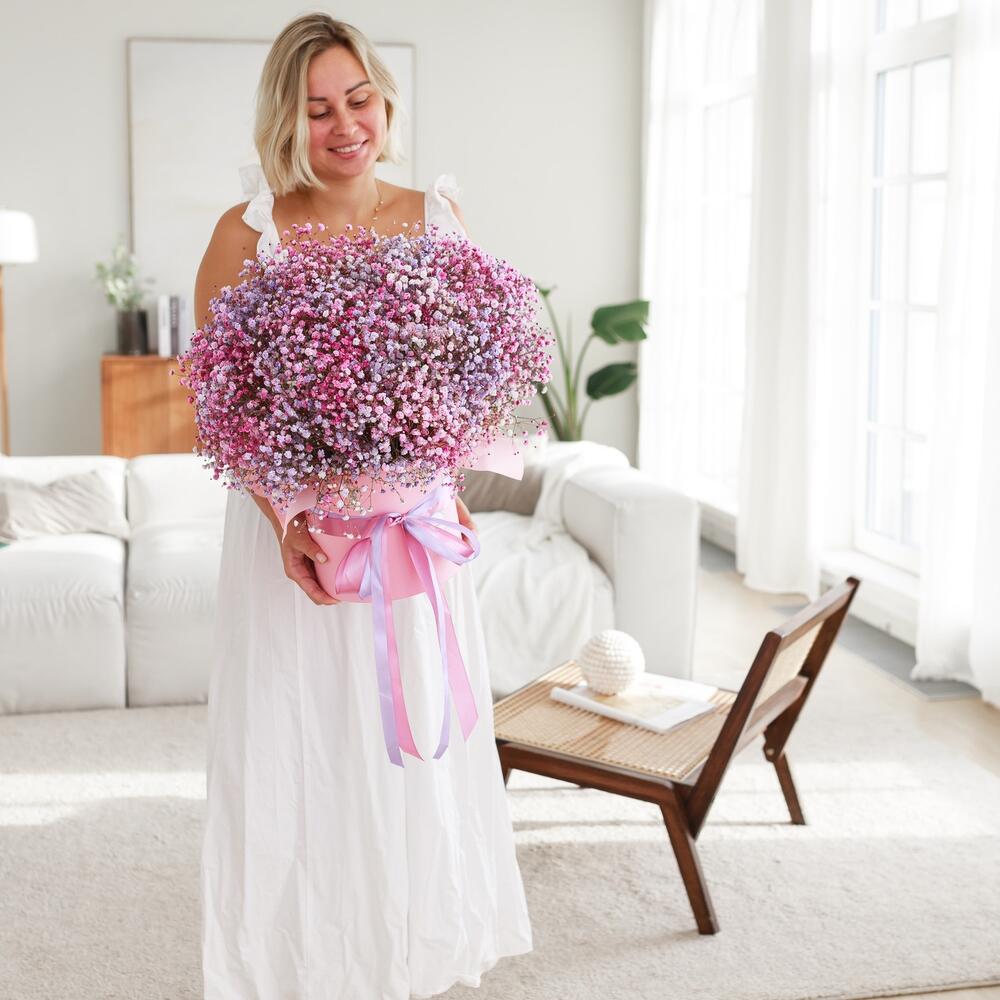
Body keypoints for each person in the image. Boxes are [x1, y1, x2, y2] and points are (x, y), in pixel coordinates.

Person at [194, 14, 534, 999]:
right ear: (285, 121)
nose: (345, 125)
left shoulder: (438, 217)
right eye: (318, 109)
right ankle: (295, 963)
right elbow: (219, 407)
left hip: (410, 535)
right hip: (297, 546)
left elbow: (473, 383)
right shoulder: (246, 232)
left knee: (410, 739)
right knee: (299, 742)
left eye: (359, 100)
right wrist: (290, 523)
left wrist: (446, 489)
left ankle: (409, 951)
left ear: (385, 102)